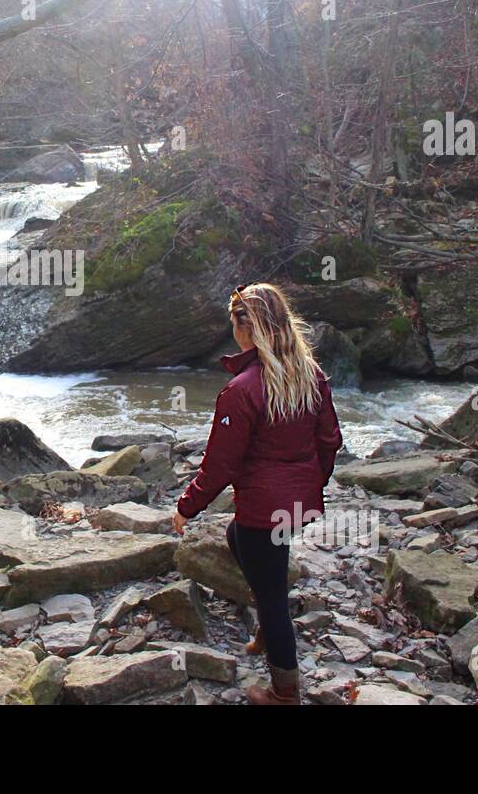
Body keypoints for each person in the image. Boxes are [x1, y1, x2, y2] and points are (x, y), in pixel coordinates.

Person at [172, 282, 343, 705]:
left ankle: (284, 691)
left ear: (244, 328)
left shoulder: (242, 390)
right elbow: (330, 440)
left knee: (271, 594)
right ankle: (269, 628)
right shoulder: (309, 375)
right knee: (241, 541)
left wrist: (187, 507)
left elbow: (220, 465)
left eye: (233, 323)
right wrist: (313, 485)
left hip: (265, 507)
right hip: (293, 503)